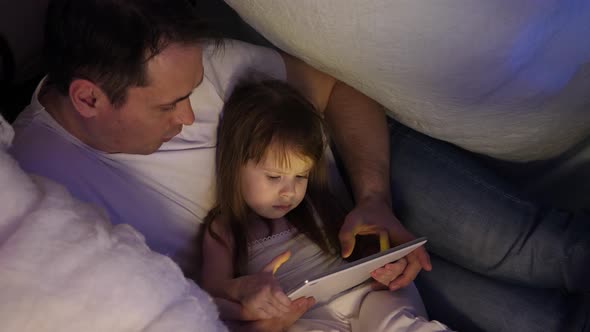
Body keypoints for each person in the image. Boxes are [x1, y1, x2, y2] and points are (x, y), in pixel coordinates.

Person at [6, 0, 588, 331]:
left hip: (361, 190)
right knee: (534, 321)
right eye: (168, 104)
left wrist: (373, 195)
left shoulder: (194, 61)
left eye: (190, 94)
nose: (189, 115)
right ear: (88, 98)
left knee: (541, 248)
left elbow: (339, 93)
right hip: (319, 289)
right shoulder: (40, 187)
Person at [198, 78, 451, 331]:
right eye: (274, 177)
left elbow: (360, 255)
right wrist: (244, 287)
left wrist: (384, 269)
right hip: (304, 316)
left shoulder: (316, 206)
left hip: (364, 296)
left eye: (301, 176)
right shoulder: (224, 229)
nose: (289, 192)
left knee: (398, 322)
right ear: (234, 165)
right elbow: (210, 293)